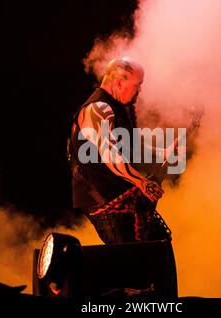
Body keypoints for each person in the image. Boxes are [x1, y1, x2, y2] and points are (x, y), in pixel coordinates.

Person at [68, 56, 174, 244]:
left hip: (118, 195)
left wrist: (162, 153)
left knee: (157, 243)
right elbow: (110, 154)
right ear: (118, 83)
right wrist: (142, 183)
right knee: (131, 256)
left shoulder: (118, 107)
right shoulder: (98, 108)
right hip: (101, 199)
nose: (140, 90)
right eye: (137, 84)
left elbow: (130, 144)